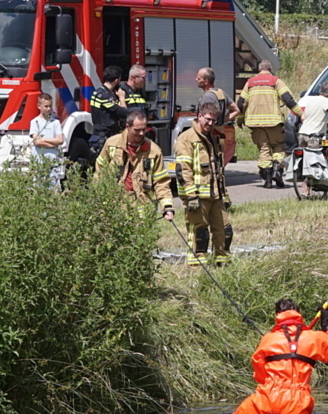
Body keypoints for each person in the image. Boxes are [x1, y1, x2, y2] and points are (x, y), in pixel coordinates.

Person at [230, 298, 328, 414]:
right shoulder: (315, 337)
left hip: (267, 399)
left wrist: (269, 384)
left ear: (276, 315)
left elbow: (260, 373)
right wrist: (326, 324)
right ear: (299, 315)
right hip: (298, 404)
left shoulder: (268, 339)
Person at [174, 102, 232, 265]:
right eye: (207, 119)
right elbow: (183, 170)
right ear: (199, 116)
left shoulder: (214, 137)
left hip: (215, 195)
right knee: (200, 233)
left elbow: (218, 169)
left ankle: (222, 264)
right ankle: (197, 267)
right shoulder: (187, 139)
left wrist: (224, 194)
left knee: (225, 230)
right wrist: (191, 196)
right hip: (198, 198)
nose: (210, 123)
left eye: (214, 120)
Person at [97, 109, 174, 219]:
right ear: (127, 126)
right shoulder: (111, 144)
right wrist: (98, 201)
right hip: (115, 206)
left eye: (144, 129)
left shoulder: (154, 151)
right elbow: (99, 174)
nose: (141, 133)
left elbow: (161, 182)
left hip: (142, 210)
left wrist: (167, 207)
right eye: (137, 130)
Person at [238, 60, 303, 189]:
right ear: (270, 68)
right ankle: (277, 169)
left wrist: (240, 119)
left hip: (255, 123)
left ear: (259, 69)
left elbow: (241, 103)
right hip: (273, 122)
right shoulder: (275, 81)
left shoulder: (250, 83)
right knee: (278, 146)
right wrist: (301, 114)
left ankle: (267, 180)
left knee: (263, 149)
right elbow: (288, 99)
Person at [196, 67, 239, 165]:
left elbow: (205, 119)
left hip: (210, 135)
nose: (196, 80)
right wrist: (221, 121)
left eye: (198, 78)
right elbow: (236, 110)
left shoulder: (207, 97)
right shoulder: (220, 92)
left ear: (206, 81)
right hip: (219, 135)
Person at [89, 65, 129, 154]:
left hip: (99, 135)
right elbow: (124, 113)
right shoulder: (106, 96)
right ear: (116, 80)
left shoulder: (97, 92)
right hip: (106, 137)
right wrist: (122, 98)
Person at [29, 93, 65, 189]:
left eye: (50, 106)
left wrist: (44, 139)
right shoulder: (34, 122)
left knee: (54, 187)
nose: (48, 109)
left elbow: (60, 140)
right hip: (39, 161)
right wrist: (53, 144)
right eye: (46, 106)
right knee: (39, 187)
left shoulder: (55, 122)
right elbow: (37, 142)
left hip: (53, 160)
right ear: (39, 106)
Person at [298, 81, 328, 149]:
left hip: (302, 134)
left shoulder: (311, 100)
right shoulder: (325, 101)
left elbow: (303, 117)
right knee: (314, 157)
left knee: (304, 157)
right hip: (314, 137)